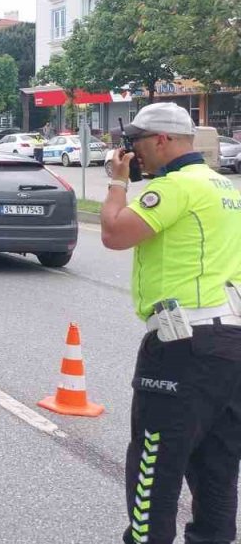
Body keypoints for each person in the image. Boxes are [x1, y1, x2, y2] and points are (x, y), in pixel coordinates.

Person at [99, 102, 241, 544]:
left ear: (163, 140)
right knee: (218, 466)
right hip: (231, 342)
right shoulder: (226, 187)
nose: (132, 153)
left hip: (184, 345)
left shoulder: (177, 187)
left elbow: (114, 233)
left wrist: (117, 184)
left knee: (154, 465)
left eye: (137, 143)